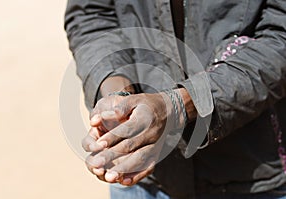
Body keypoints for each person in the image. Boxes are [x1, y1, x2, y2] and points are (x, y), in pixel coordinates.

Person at [64, 0, 286, 198]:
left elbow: (280, 36)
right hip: (142, 183)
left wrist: (177, 107)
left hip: (257, 175)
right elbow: (91, 14)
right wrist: (119, 100)